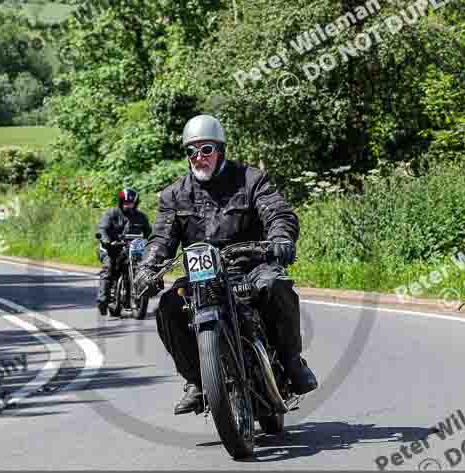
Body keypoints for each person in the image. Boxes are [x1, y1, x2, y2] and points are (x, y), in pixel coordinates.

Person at [134, 114, 318, 415]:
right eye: (191, 151)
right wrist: (147, 266)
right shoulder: (173, 195)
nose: (199, 157)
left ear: (220, 149)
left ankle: (291, 361)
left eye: (206, 149)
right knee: (169, 306)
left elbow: (278, 213)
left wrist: (281, 237)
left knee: (275, 285)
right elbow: (161, 238)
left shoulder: (250, 180)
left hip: (249, 265)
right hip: (201, 276)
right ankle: (197, 379)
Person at [96, 188, 151, 315]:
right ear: (121, 202)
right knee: (108, 269)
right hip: (111, 248)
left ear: (135, 203)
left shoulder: (141, 217)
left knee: (142, 268)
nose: (128, 205)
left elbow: (149, 234)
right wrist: (106, 240)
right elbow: (102, 229)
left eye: (130, 203)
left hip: (132, 249)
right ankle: (102, 300)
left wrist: (153, 243)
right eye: (125, 202)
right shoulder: (112, 213)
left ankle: (134, 297)